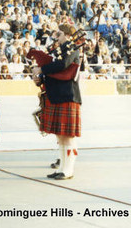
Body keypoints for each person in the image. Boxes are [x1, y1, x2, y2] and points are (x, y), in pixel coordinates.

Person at [32, 24, 82, 181]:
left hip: (67, 95)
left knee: (68, 136)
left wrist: (41, 70)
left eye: (59, 34)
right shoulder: (59, 49)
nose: (57, 37)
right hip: (57, 95)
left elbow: (62, 65)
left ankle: (69, 170)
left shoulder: (72, 47)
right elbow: (54, 66)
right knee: (60, 136)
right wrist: (38, 73)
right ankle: (62, 168)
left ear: (67, 35)